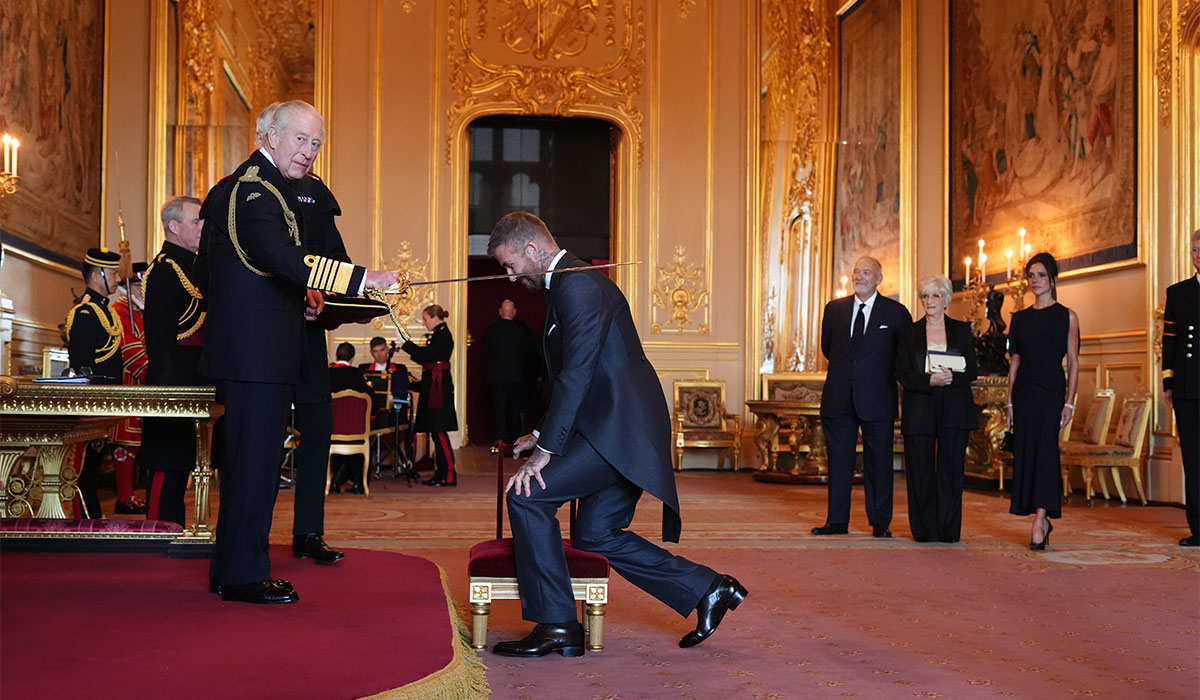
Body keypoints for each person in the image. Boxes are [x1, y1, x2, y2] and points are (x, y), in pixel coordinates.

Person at [487, 211, 745, 657]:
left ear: (532, 249)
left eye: (510, 265)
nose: (510, 277)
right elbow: (577, 374)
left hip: (618, 432)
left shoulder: (578, 285)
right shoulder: (568, 284)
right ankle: (709, 588)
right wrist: (540, 431)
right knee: (596, 533)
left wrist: (546, 450)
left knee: (527, 497)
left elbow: (579, 374)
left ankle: (557, 625)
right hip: (616, 427)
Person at [198, 99, 398, 604]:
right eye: (301, 139)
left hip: (260, 352)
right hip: (255, 354)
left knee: (254, 463)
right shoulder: (254, 190)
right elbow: (286, 258)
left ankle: (230, 569)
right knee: (255, 465)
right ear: (270, 136)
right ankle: (243, 576)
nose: (309, 151)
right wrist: (363, 278)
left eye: (316, 143)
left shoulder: (268, 188)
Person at [813, 256, 912, 538]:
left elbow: (902, 355)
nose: (859, 276)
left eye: (866, 272)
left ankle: (880, 522)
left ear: (879, 278)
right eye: (856, 271)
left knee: (879, 463)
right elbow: (828, 349)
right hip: (839, 398)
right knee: (838, 463)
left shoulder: (896, 313)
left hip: (878, 398)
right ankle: (836, 521)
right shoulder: (834, 310)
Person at [895, 274, 978, 543]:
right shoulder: (909, 332)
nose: (929, 301)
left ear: (946, 299)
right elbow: (902, 372)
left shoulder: (962, 330)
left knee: (951, 470)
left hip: (954, 407)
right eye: (925, 296)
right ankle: (924, 530)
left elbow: (972, 370)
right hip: (920, 406)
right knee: (919, 470)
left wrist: (953, 378)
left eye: (935, 295)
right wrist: (929, 381)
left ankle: (948, 530)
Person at [1006, 252, 1080, 551]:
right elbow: (1014, 362)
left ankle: (1040, 518)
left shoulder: (1067, 316)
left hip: (1052, 392)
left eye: (1040, 275)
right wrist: (1009, 402)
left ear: (1052, 278)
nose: (1035, 280)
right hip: (1024, 392)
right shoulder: (1019, 318)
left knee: (1047, 452)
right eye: (1031, 275)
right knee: (1027, 452)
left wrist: (1070, 402)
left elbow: (1073, 362)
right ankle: (1039, 516)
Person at [141, 196, 207, 528]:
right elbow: (160, 338)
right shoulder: (165, 270)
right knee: (167, 467)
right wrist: (167, 394)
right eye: (196, 221)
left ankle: (175, 534)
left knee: (182, 468)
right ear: (174, 227)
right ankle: (156, 536)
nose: (202, 227)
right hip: (172, 386)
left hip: (194, 382)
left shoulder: (193, 267)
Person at [65, 247, 125, 518]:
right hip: (90, 409)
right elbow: (81, 368)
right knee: (84, 472)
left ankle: (92, 520)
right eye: (112, 274)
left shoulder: (105, 312)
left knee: (93, 469)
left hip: (104, 407)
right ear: (95, 275)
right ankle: (84, 523)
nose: (117, 279)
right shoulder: (85, 313)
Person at [1163, 230, 1200, 547]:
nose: (1198, 255)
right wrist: (1168, 383)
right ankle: (1199, 528)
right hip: (1187, 388)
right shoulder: (1177, 293)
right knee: (1193, 458)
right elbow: (1170, 343)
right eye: (1194, 250)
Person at [400, 304, 459, 486]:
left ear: (434, 318)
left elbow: (425, 356)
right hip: (435, 385)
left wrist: (406, 344)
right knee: (436, 431)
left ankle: (449, 474)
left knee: (438, 430)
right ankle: (441, 473)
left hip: (438, 388)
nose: (424, 323)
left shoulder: (442, 335)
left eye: (425, 319)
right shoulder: (439, 334)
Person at [110, 262, 149, 515]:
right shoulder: (120, 310)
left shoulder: (139, 310)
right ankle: (124, 496)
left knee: (134, 442)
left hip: (140, 387)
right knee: (125, 441)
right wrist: (153, 373)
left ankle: (129, 494)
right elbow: (130, 350)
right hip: (127, 384)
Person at [485, 299, 536, 444]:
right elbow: (527, 355)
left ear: (500, 312)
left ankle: (499, 437)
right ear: (514, 312)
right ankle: (516, 437)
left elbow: (487, 354)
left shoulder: (491, 330)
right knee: (515, 406)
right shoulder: (521, 331)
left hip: (497, 375)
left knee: (499, 406)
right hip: (516, 376)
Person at [328, 342, 372, 494]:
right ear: (352, 358)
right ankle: (358, 484)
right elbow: (371, 398)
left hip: (332, 429)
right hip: (356, 431)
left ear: (336, 356)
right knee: (359, 442)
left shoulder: (327, 374)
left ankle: (334, 482)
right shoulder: (357, 374)